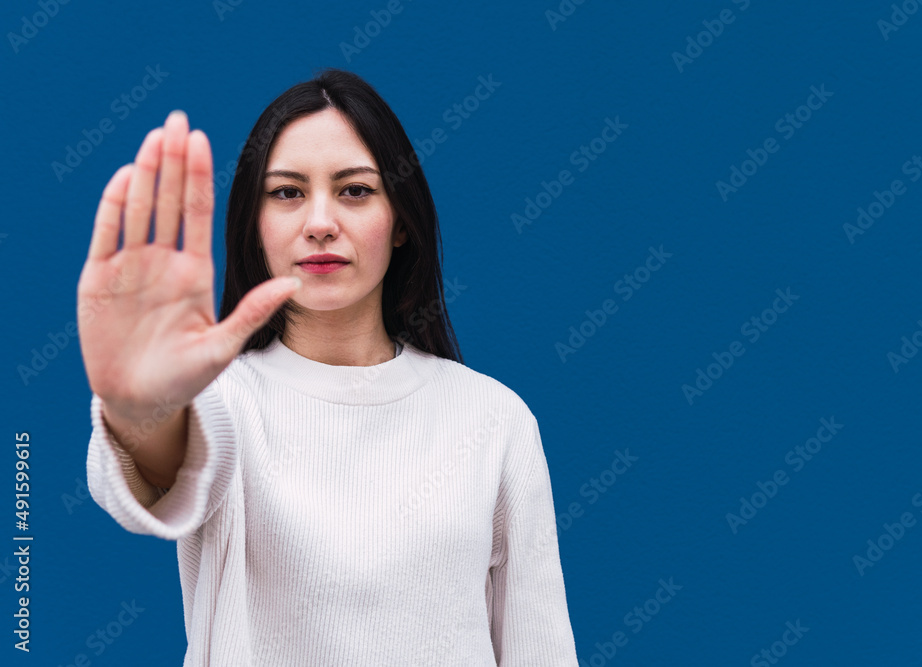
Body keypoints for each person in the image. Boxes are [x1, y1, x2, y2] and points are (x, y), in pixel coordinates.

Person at [78, 68, 578, 666]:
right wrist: (139, 409)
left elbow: (539, 649)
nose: (320, 222)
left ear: (401, 223)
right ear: (255, 226)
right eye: (287, 192)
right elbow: (157, 473)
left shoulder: (494, 419)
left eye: (356, 190)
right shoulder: (223, 401)